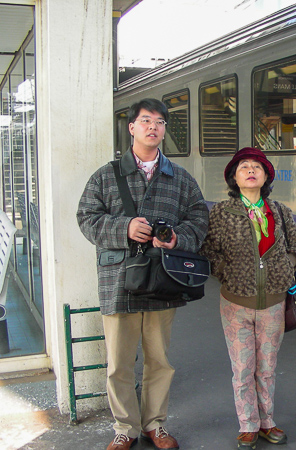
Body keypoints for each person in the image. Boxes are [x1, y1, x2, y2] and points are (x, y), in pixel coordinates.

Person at [77, 98, 209, 450]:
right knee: (119, 362)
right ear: (132, 127)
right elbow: (86, 217)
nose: (153, 127)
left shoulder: (180, 178)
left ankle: (155, 425)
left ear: (164, 130)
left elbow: (199, 217)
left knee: (159, 360)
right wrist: (124, 228)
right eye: (146, 120)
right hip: (118, 279)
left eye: (160, 122)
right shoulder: (106, 176)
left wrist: (178, 238)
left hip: (162, 278)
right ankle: (125, 428)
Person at [201, 147, 296, 450]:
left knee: (268, 367)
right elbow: (208, 251)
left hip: (274, 303)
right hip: (236, 304)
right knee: (243, 368)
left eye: (257, 167)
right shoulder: (221, 212)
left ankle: (267, 422)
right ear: (234, 178)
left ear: (266, 176)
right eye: (244, 167)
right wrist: (227, 271)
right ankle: (248, 425)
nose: (251, 171)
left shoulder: (280, 211)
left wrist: (285, 266)